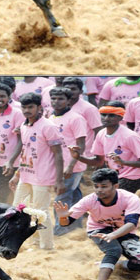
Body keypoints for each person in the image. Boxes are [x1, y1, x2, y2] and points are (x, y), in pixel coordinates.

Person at [54, 168, 140, 280]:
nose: (99, 190)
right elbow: (65, 223)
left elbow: (131, 224)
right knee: (114, 250)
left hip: (124, 231)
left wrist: (113, 235)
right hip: (98, 229)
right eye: (96, 186)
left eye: (104, 186)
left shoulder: (130, 198)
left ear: (115, 186)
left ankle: (114, 264)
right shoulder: (89, 200)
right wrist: (62, 217)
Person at [73, 101, 140, 250]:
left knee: (111, 202)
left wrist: (123, 162)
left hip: (136, 175)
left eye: (111, 115)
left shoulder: (129, 136)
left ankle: (127, 242)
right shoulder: (102, 133)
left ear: (120, 117)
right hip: (118, 175)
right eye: (104, 115)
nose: (106, 118)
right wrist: (78, 157)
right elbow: (98, 160)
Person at [3, 92, 65, 250]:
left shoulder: (48, 126)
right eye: (24, 107)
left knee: (40, 212)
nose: (27, 110)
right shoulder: (24, 125)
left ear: (39, 108)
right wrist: (17, 174)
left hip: (42, 177)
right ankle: (35, 243)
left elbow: (58, 154)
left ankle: (47, 247)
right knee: (18, 208)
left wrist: (59, 180)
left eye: (30, 107)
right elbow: (25, 150)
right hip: (26, 175)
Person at [48, 87, 89, 236]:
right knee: (75, 197)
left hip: (72, 166)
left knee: (61, 198)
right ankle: (76, 228)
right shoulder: (50, 117)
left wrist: (71, 165)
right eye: (53, 98)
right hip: (58, 165)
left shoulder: (76, 118)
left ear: (68, 101)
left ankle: (60, 231)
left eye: (60, 99)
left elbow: (81, 145)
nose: (56, 102)